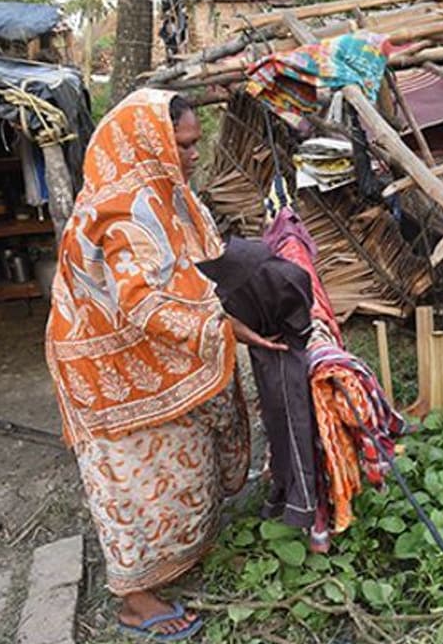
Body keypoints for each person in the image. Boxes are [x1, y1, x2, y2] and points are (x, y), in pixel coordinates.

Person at [45, 89, 283, 640]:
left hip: (149, 349)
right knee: (130, 478)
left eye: (197, 142)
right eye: (184, 144)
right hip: (103, 362)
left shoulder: (165, 193)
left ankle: (180, 552)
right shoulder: (121, 212)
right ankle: (136, 597)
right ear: (149, 143)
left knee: (182, 456)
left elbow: (195, 262)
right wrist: (222, 327)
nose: (197, 155)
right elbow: (144, 301)